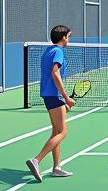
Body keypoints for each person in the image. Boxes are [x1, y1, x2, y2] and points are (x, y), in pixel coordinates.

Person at [26, 25, 76, 182]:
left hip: (48, 95)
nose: (69, 39)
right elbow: (55, 73)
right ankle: (37, 160)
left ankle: (56, 168)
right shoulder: (58, 52)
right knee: (63, 132)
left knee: (56, 131)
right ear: (63, 38)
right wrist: (66, 97)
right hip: (54, 95)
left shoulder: (48, 51)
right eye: (68, 36)